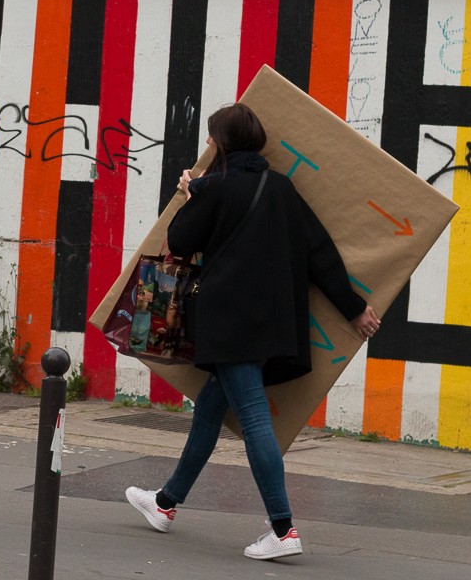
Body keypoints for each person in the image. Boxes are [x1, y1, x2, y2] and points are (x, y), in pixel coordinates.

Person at [124, 103, 381, 561]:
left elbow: (180, 242)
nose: (206, 146)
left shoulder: (214, 189)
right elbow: (318, 251)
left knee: (256, 421)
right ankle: (165, 504)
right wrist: (354, 308)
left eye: (209, 139)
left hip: (230, 323)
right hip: (274, 325)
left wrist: (188, 195)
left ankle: (282, 531)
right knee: (208, 413)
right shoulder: (281, 187)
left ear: (222, 143)